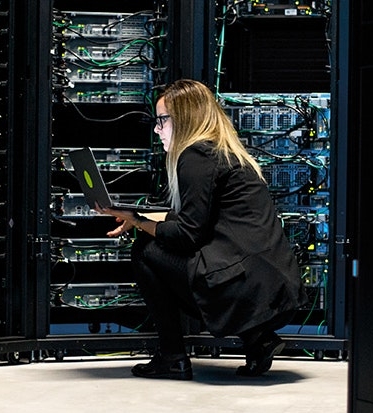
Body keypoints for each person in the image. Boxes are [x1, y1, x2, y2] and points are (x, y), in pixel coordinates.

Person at [99, 79, 303, 380]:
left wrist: (141, 223)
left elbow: (187, 236)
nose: (157, 130)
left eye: (161, 121)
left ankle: (172, 357)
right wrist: (138, 216)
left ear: (183, 119)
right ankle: (257, 339)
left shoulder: (195, 156)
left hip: (246, 290)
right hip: (275, 289)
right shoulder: (223, 152)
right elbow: (200, 218)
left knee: (145, 250)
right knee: (178, 251)